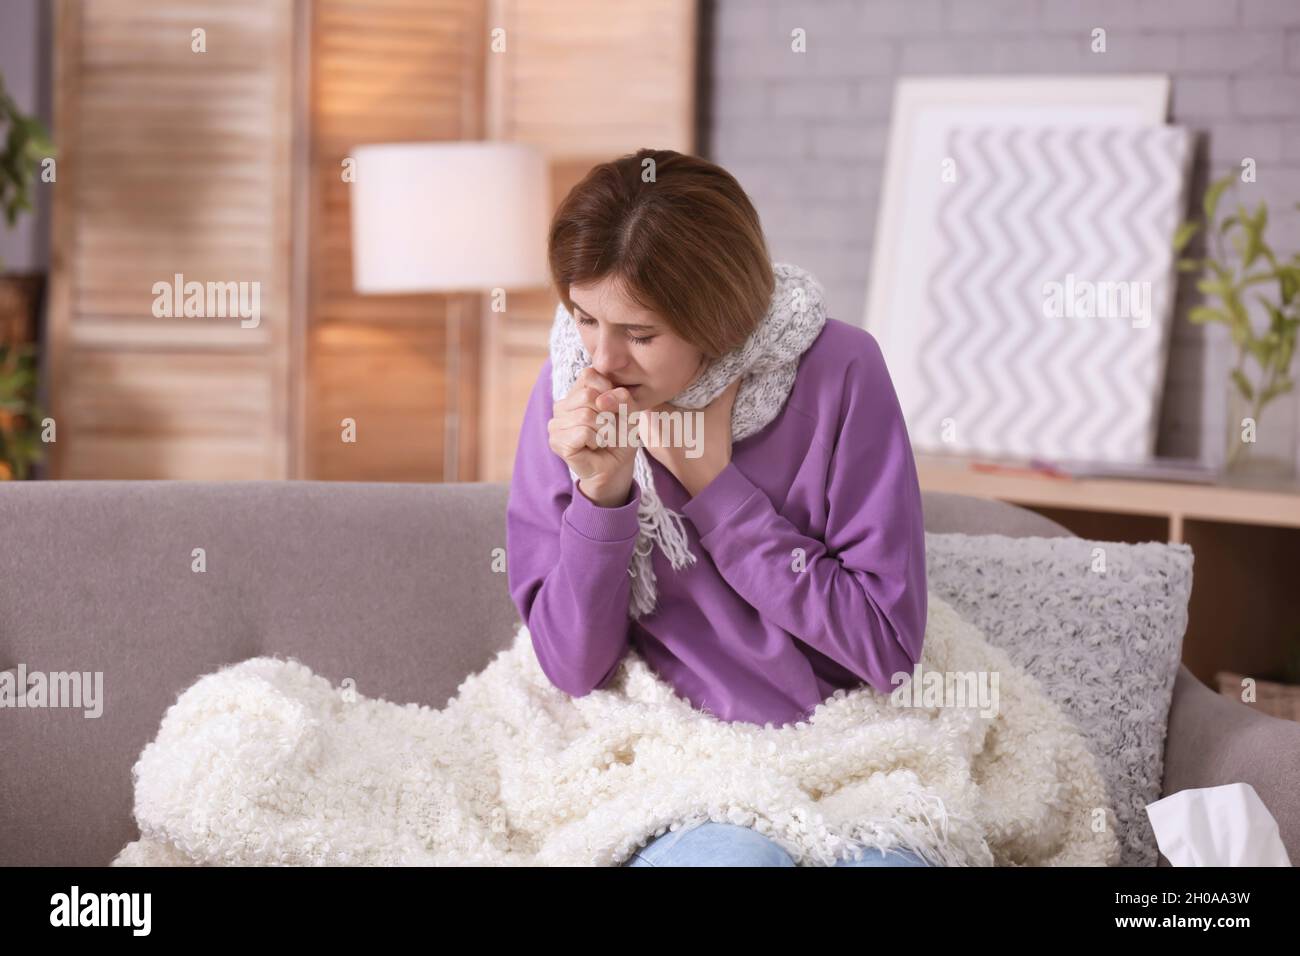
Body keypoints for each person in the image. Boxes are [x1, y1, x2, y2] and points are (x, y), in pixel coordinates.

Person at [505, 148, 930, 867]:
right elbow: (572, 667)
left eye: (640, 335)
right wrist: (601, 497)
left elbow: (886, 649)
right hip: (666, 755)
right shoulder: (569, 395)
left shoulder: (840, 372)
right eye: (583, 317)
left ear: (721, 321)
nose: (602, 360)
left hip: (845, 749)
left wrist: (715, 487)